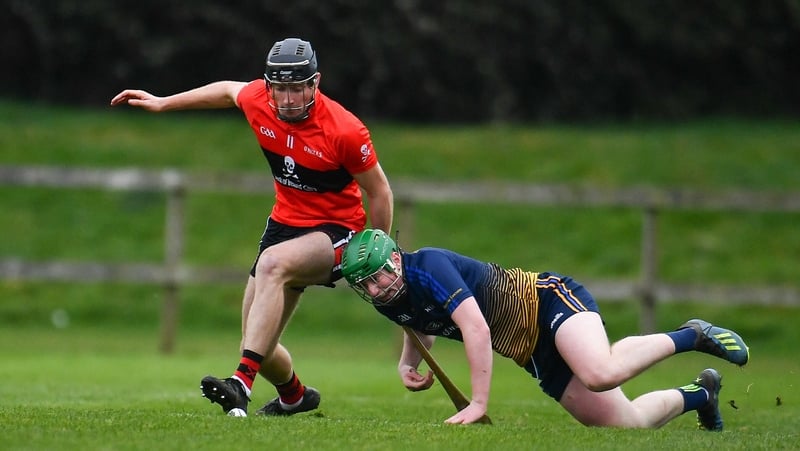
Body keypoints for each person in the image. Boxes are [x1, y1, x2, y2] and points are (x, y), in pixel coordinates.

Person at [110, 38, 393, 417]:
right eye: (280, 89)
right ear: (268, 86)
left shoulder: (344, 130)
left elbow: (379, 191)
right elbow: (228, 91)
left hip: (336, 230)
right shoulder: (259, 100)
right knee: (256, 342)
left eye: (297, 88)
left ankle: (240, 385)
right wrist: (164, 102)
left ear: (315, 83)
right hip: (284, 225)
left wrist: (379, 251)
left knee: (273, 265)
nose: (289, 99)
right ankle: (295, 396)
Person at [340, 229, 750, 429]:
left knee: (600, 373)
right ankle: (702, 394)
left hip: (546, 302)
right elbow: (421, 325)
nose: (377, 287)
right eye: (367, 284)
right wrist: (405, 363)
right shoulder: (388, 299)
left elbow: (477, 330)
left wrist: (479, 403)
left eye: (380, 275)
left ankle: (692, 334)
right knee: (629, 425)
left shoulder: (428, 266)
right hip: (530, 351)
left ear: (395, 257)